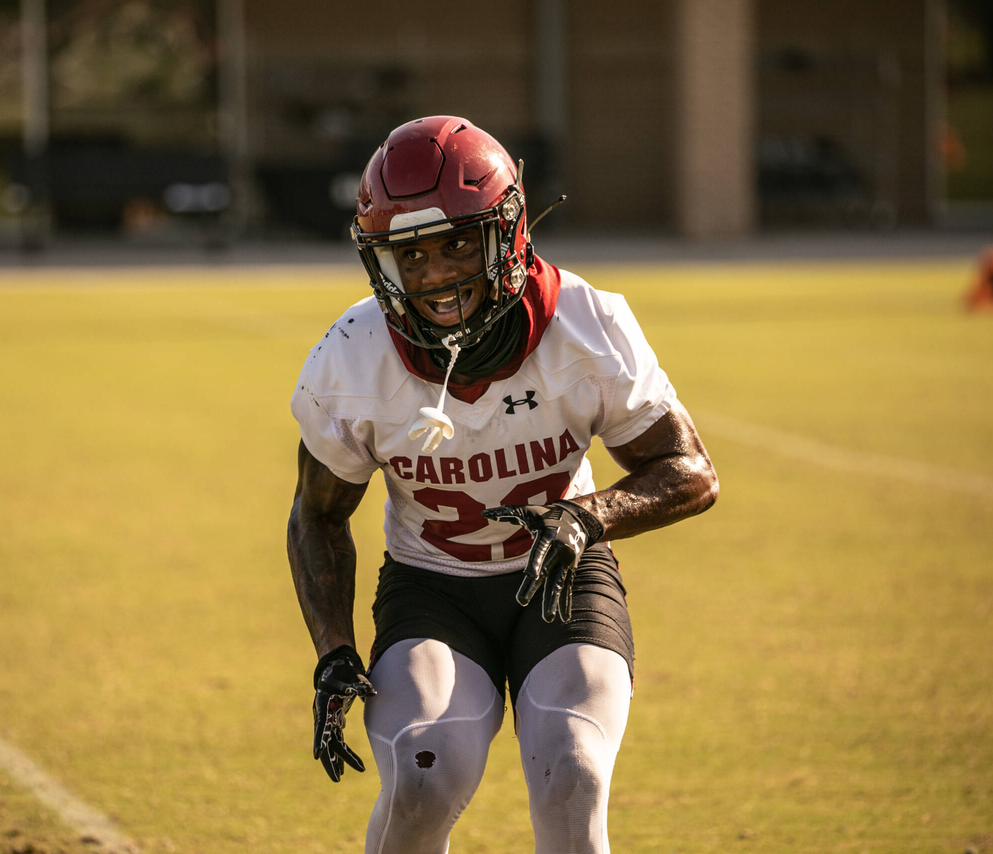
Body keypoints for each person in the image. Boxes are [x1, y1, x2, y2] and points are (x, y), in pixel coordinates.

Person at [287, 115, 719, 854]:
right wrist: (333, 651)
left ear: (509, 234)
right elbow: (319, 516)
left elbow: (690, 472)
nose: (437, 278)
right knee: (422, 782)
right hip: (432, 589)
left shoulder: (585, 325)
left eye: (458, 244)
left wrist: (587, 515)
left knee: (574, 775)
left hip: (563, 582)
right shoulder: (352, 358)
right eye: (410, 257)